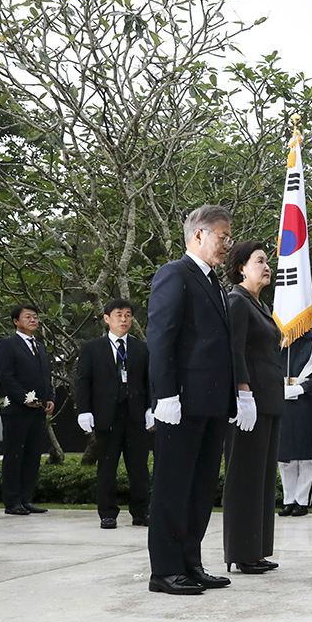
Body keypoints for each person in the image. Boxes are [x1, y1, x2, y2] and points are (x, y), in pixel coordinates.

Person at [146, 204, 250, 595]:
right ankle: (165, 570)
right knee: (173, 487)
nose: (228, 244)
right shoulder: (174, 274)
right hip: (182, 403)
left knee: (200, 487)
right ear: (199, 236)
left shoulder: (214, 284)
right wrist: (166, 394)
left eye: (229, 237)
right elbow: (161, 339)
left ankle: (190, 562)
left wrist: (234, 396)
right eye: (222, 236)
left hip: (211, 404)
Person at [222, 241, 284, 574]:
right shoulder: (237, 302)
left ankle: (256, 550)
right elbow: (233, 351)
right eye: (259, 261)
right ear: (241, 267)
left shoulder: (258, 304)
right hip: (250, 402)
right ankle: (241, 552)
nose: (266, 266)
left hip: (269, 399)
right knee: (245, 476)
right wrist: (242, 392)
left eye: (267, 261)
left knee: (262, 478)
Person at [75, 298, 154, 529]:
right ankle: (107, 514)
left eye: (128, 315)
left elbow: (150, 381)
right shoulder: (92, 348)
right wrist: (84, 411)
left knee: (139, 468)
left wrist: (151, 408)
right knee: (107, 467)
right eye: (119, 314)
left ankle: (141, 512)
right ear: (107, 318)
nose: (124, 319)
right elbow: (83, 381)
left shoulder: (142, 348)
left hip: (135, 415)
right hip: (106, 416)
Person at [0, 304, 55, 515]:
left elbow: (46, 376)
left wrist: (49, 398)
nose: (33, 320)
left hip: (38, 410)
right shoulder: (8, 345)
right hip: (17, 410)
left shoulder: (40, 346)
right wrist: (22, 398)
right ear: (15, 321)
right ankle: (12, 501)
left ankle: (26, 498)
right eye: (28, 317)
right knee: (15, 455)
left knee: (32, 455)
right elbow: (5, 375)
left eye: (35, 317)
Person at [277, 328, 312, 516]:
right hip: (282, 400)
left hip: (306, 402)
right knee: (285, 456)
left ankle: (302, 500)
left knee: (305, 455)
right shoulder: (279, 340)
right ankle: (288, 499)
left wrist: (302, 388)